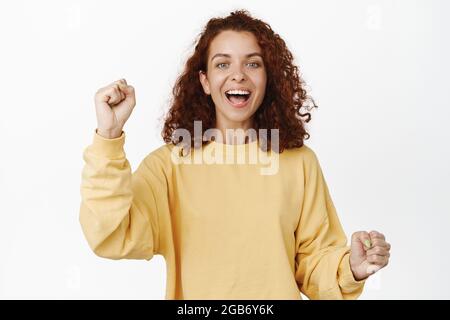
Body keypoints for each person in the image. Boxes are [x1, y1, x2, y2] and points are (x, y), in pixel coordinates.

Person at [80, 10, 391, 300]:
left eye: (253, 63)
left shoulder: (299, 162)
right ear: (204, 81)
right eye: (222, 64)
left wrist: (350, 268)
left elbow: (312, 263)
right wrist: (108, 137)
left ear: (268, 78)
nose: (238, 75)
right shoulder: (168, 166)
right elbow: (111, 234)